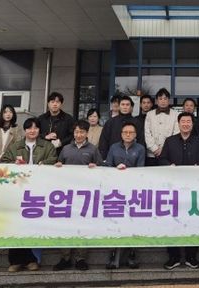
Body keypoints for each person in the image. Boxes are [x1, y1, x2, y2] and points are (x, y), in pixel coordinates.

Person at [1, 117, 57, 272]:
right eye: (29, 128)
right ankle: (16, 261)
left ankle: (32, 260)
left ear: (39, 130)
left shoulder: (47, 146)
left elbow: (54, 159)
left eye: (35, 128)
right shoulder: (15, 146)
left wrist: (43, 164)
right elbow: (4, 162)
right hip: (19, 191)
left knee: (33, 224)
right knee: (16, 224)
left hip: (39, 191)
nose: (32, 131)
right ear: (25, 130)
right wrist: (14, 164)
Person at [159, 112, 199, 269]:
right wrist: (169, 166)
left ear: (192, 125)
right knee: (172, 222)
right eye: (183, 121)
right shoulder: (170, 141)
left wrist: (198, 166)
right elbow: (162, 159)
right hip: (173, 190)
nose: (186, 124)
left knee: (193, 222)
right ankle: (173, 256)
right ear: (178, 123)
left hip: (193, 190)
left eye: (189, 121)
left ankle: (191, 256)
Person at [52, 120, 102, 271]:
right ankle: (65, 257)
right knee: (65, 226)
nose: (79, 135)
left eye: (82, 132)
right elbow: (58, 166)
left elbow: (102, 168)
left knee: (83, 225)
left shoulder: (93, 149)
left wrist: (96, 167)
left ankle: (81, 258)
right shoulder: (66, 149)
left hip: (85, 195)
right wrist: (58, 166)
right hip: (67, 195)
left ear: (87, 133)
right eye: (76, 132)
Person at [104, 121, 146, 269]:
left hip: (133, 191)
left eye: (131, 132)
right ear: (121, 134)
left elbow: (141, 169)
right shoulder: (114, 147)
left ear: (135, 135)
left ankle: (131, 254)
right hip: (116, 192)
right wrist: (116, 169)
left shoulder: (140, 148)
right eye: (125, 132)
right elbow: (108, 166)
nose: (128, 135)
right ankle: (112, 255)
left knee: (132, 222)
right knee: (114, 222)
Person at [144, 88, 179, 166]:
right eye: (160, 99)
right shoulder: (149, 114)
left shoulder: (176, 114)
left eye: (165, 99)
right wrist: (154, 148)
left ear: (169, 101)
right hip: (151, 154)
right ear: (156, 101)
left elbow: (176, 133)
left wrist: (164, 149)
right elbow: (147, 133)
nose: (163, 101)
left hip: (169, 154)